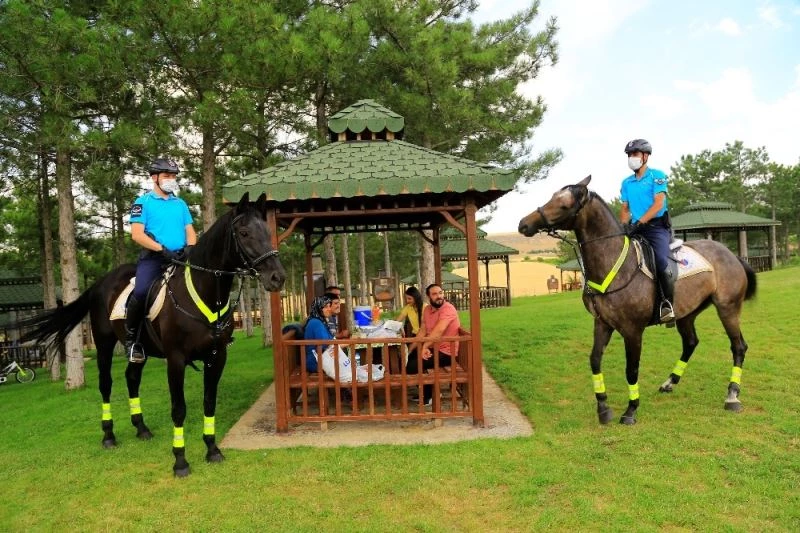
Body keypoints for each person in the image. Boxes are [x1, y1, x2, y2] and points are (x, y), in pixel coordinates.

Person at [126, 158, 197, 363]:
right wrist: (162, 250)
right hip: (154, 259)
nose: (171, 180)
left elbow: (190, 232)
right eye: (167, 176)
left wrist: (189, 248)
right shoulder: (142, 203)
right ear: (154, 178)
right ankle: (133, 342)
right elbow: (137, 235)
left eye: (174, 176)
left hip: (182, 258)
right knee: (140, 291)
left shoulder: (180, 204)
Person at [619, 138, 675, 324]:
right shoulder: (626, 183)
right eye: (629, 155)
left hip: (656, 228)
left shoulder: (657, 176)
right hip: (636, 229)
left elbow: (659, 203)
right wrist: (624, 227)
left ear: (645, 156)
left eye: (634, 154)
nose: (631, 158)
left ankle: (667, 305)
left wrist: (640, 222)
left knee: (660, 262)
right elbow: (625, 208)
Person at [406, 283, 461, 406]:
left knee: (412, 365)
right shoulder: (427, 310)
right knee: (406, 359)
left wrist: (424, 347)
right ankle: (428, 391)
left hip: (447, 352)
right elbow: (422, 332)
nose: (439, 296)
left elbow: (438, 331)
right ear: (428, 297)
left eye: (440, 293)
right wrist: (410, 350)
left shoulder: (448, 308)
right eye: (435, 294)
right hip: (432, 348)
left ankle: (430, 394)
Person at [303, 295, 335, 373]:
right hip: (316, 363)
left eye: (329, 306)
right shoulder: (316, 322)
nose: (329, 309)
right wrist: (347, 343)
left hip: (322, 359)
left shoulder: (319, 321)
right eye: (325, 307)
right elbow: (325, 343)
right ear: (318, 308)